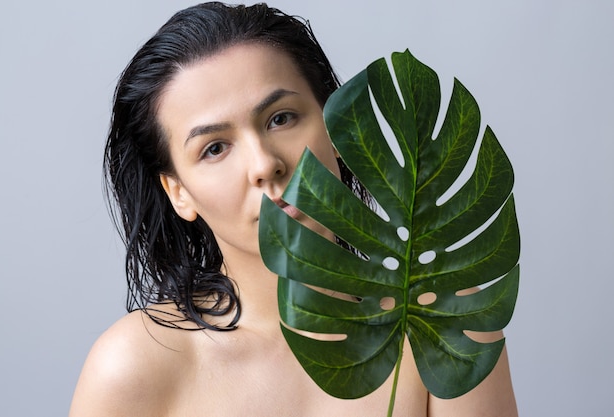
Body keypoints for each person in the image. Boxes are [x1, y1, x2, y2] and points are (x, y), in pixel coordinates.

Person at [69, 2, 518, 416]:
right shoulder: (136, 367)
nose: (265, 164)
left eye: (280, 118)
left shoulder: (442, 328)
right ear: (178, 192)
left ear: (335, 126)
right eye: (215, 148)